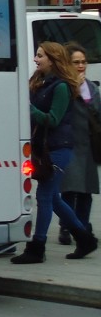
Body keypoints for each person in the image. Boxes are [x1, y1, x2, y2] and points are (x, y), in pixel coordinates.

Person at [11, 41, 99, 263]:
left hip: (58, 149)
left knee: (44, 196)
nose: (35, 59)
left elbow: (53, 119)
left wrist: (28, 108)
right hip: (45, 148)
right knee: (54, 198)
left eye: (40, 56)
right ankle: (84, 238)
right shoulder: (39, 82)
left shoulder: (60, 87)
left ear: (52, 59)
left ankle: (37, 248)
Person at [58, 43, 101, 244]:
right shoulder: (62, 85)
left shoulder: (91, 87)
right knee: (70, 188)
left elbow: (97, 112)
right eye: (76, 62)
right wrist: (75, 87)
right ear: (68, 64)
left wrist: (85, 92)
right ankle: (66, 227)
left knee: (87, 190)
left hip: (88, 145)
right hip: (69, 143)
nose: (81, 66)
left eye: (84, 62)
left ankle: (83, 226)